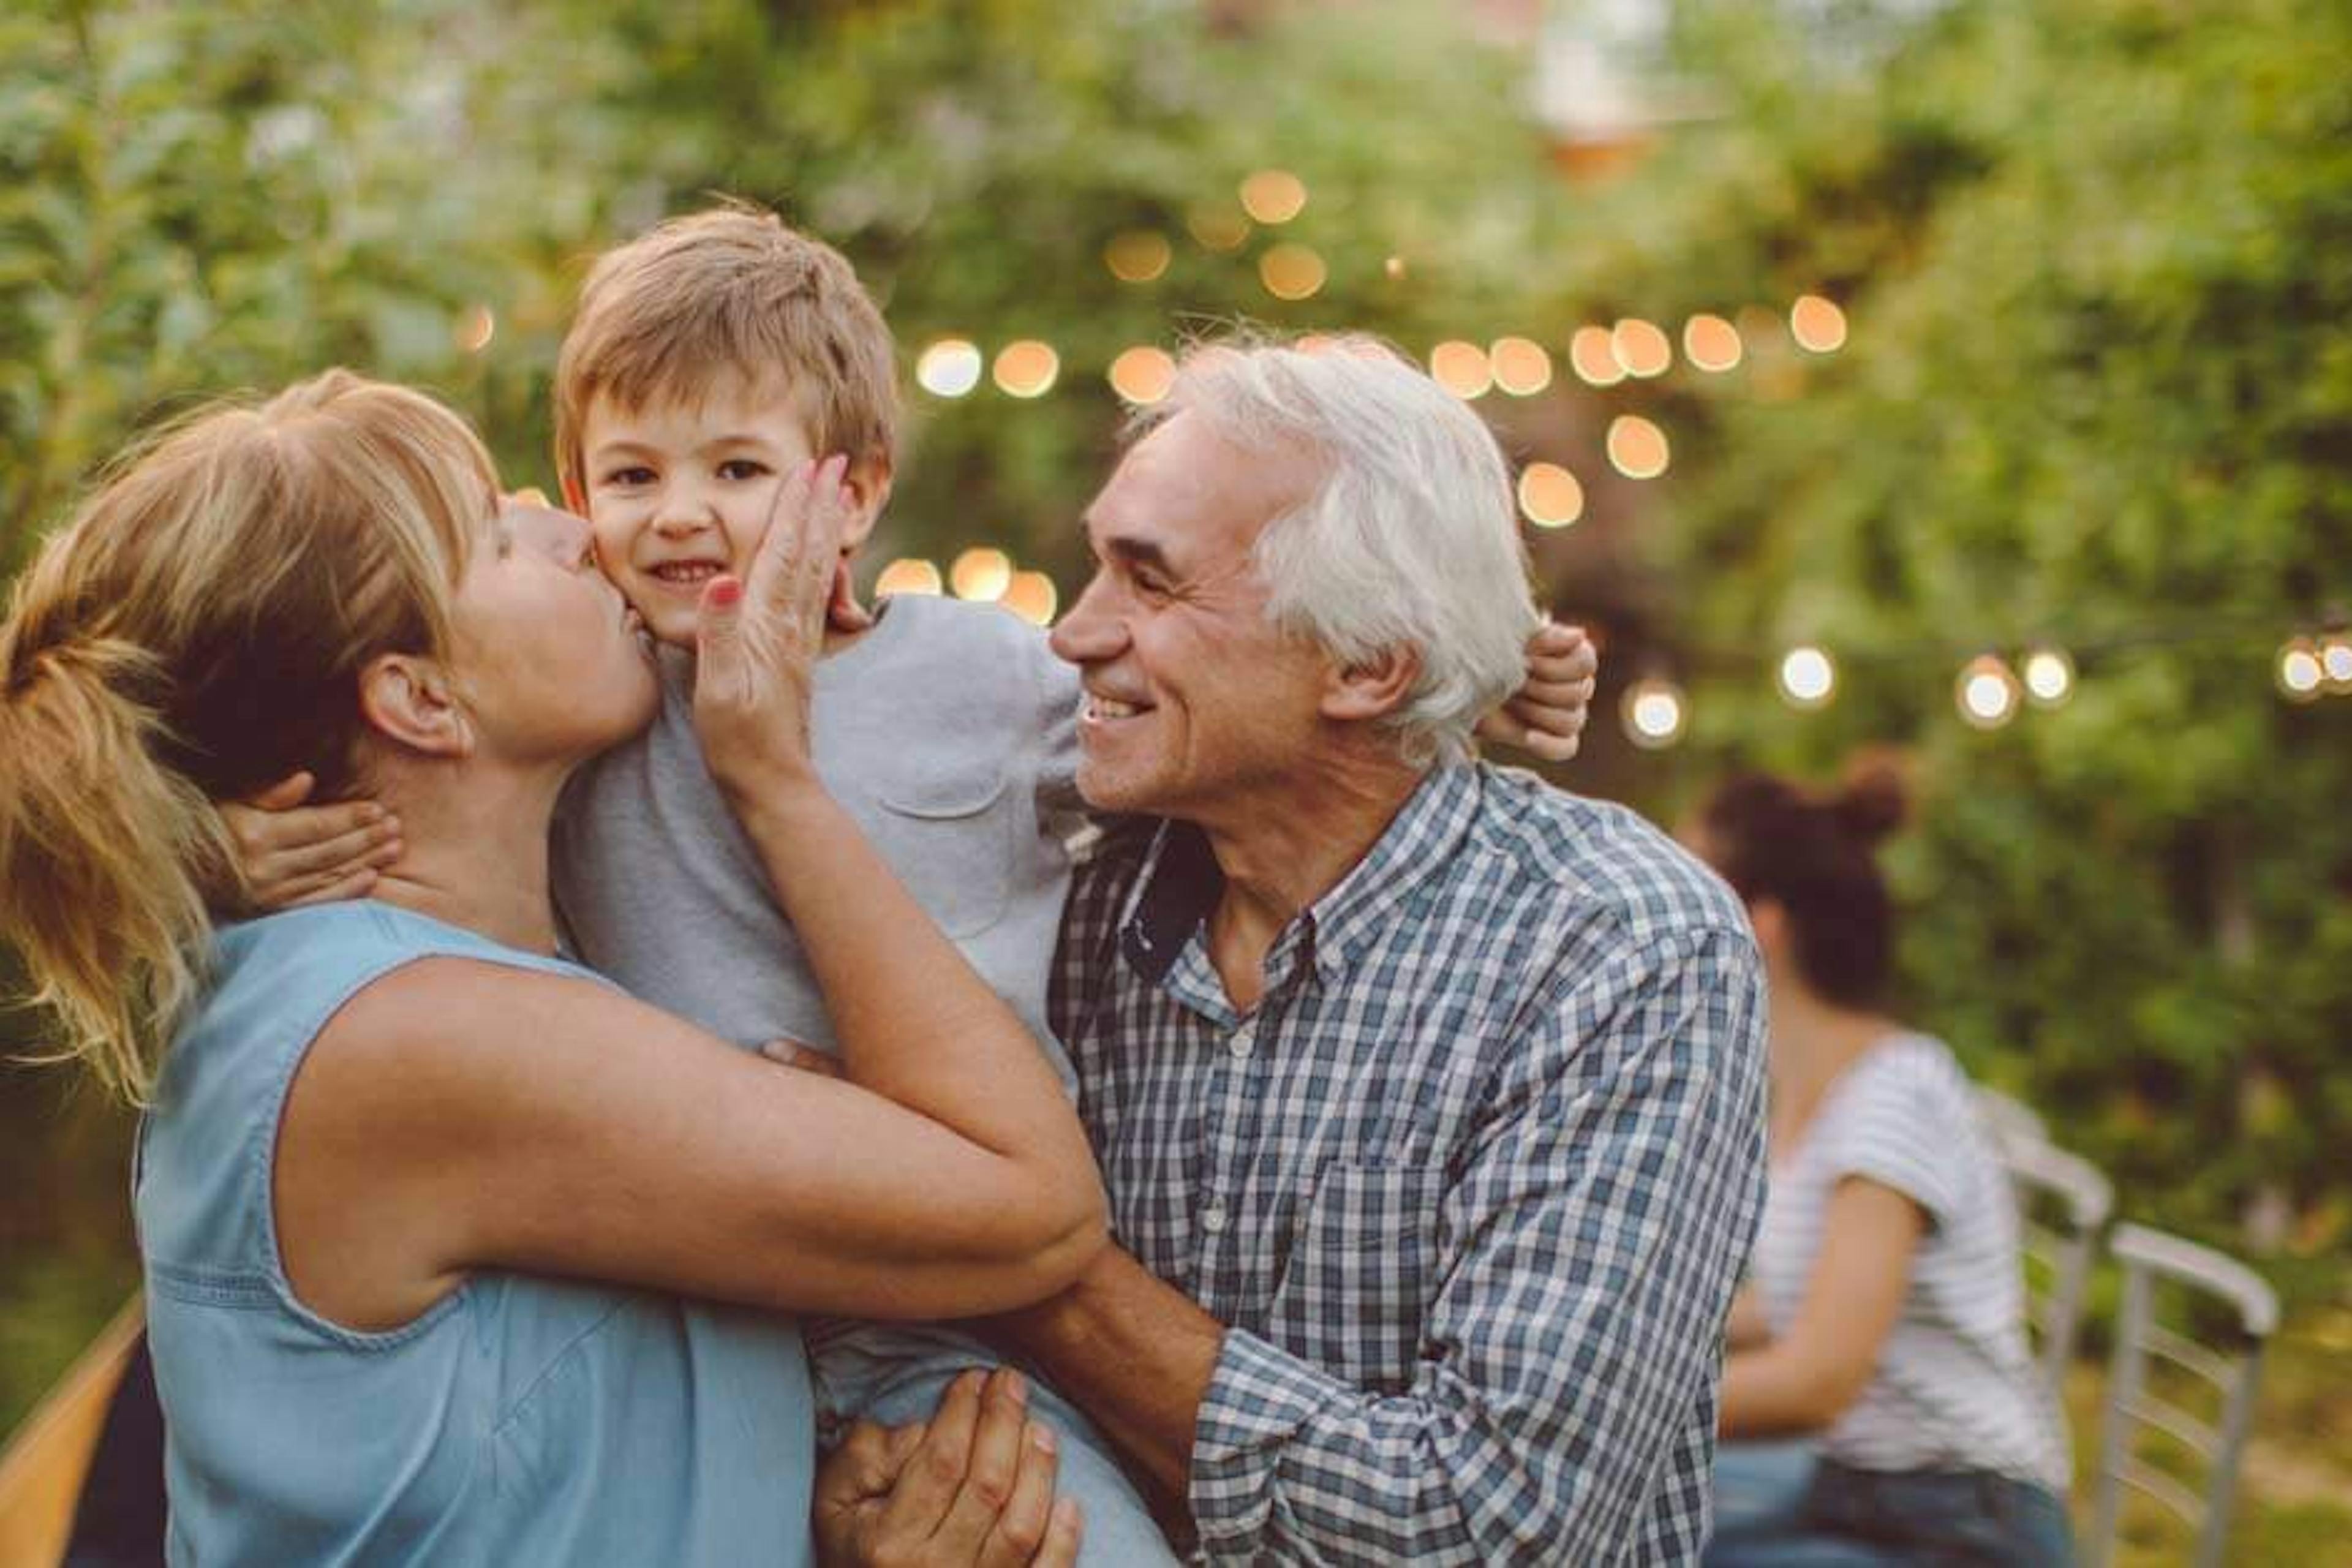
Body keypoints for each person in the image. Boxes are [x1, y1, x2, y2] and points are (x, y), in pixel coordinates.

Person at [224, 206, 1599, 1567]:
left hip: (943, 1324)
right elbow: (294, 762)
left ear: (856, 492)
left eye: (737, 468)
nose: (677, 515)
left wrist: (1475, 661)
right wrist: (210, 849)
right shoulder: (603, 699)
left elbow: (1217, 721)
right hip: (713, 1275)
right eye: (629, 479)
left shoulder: (974, 678)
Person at [0, 372, 1102, 1565]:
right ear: (421, 698)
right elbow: (1030, 1207)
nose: (576, 529)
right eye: (493, 531)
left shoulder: (362, 987)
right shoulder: (407, 1036)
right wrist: (771, 778)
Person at [820, 335, 1771, 1564]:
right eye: (1096, 563)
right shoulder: (1057, 895)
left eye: (1149, 583)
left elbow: (1486, 1533)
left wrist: (992, 1234)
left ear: (1370, 665)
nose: (1072, 634)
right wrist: (875, 1497)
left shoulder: (1618, 950)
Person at [1689, 763, 2073, 1566]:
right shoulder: (1807, 1093)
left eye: (1684, 885)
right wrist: (1620, 1336)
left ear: (1760, 923)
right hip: (1862, 1489)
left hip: (1960, 1522)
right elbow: (1794, 1301)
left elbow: (1818, 1379)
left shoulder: (1892, 1095)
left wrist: (1599, 1405)